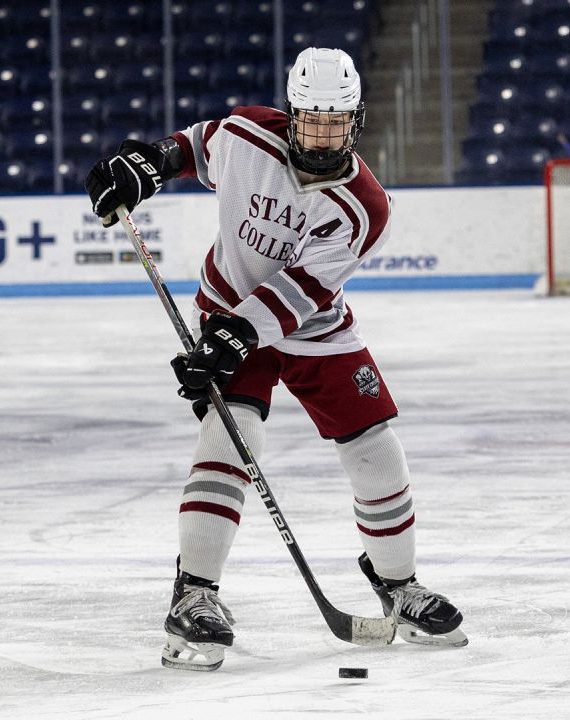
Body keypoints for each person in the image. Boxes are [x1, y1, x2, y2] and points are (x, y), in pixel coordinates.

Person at [84, 47, 467, 672]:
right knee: (229, 443)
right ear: (292, 115)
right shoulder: (247, 134)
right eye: (312, 121)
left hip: (315, 331)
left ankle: (399, 583)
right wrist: (148, 165)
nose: (323, 136)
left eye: (337, 123)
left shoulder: (364, 207)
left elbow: (299, 293)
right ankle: (195, 595)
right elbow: (198, 144)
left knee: (375, 449)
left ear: (357, 121)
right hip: (228, 306)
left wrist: (231, 338)